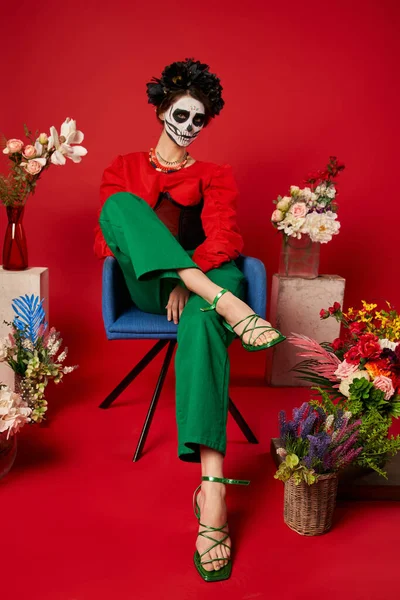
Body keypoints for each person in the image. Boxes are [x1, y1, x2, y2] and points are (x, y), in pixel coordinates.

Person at [94, 58, 285, 582]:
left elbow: (224, 239)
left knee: (201, 317)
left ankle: (213, 493)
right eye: (181, 113)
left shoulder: (214, 175)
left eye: (199, 120)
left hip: (209, 280)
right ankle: (224, 305)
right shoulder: (123, 167)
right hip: (153, 287)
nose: (188, 126)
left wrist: (190, 278)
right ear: (161, 110)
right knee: (119, 209)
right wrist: (176, 277)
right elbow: (110, 239)